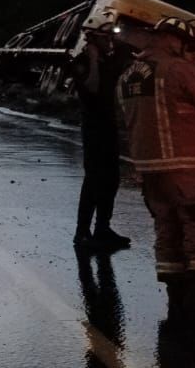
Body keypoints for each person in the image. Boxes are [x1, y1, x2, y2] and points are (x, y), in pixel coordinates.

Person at [118, 17, 195, 310]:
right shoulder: (176, 68)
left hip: (147, 164)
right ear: (173, 39)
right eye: (187, 43)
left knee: (166, 224)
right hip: (183, 162)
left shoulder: (130, 72)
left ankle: (172, 278)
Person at [70, 22, 132, 251]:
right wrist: (94, 60)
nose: (110, 42)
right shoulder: (81, 63)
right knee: (93, 180)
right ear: (93, 40)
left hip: (109, 126)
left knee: (112, 180)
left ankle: (103, 228)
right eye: (105, 38)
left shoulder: (110, 61)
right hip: (93, 127)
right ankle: (82, 231)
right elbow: (93, 88)